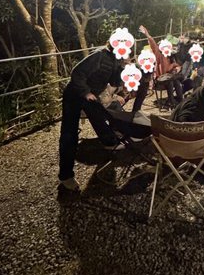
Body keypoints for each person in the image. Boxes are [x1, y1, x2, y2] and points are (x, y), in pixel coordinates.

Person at [58, 41, 129, 191]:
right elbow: (77, 73)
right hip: (74, 93)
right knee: (69, 133)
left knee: (100, 117)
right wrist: (85, 92)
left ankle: (109, 142)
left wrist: (123, 67)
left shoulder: (116, 59)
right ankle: (65, 176)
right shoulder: (99, 55)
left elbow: (114, 82)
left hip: (91, 95)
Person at [139, 25, 184, 108]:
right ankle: (171, 103)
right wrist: (147, 35)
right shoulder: (159, 55)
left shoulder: (171, 57)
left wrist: (176, 68)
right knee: (170, 83)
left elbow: (176, 66)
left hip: (168, 78)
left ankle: (180, 101)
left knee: (177, 82)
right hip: (159, 80)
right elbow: (154, 46)